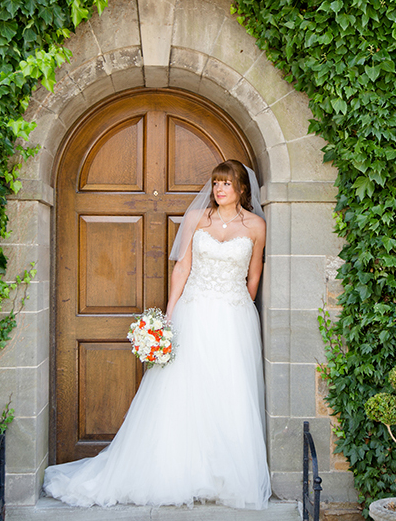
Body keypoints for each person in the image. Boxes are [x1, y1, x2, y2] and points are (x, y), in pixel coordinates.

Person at [43, 159, 271, 509]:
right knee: (182, 390)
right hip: (193, 311)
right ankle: (179, 470)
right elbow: (183, 267)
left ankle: (222, 474)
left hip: (233, 315)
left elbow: (253, 276)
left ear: (242, 188)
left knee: (229, 390)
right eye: (215, 184)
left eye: (226, 184)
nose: (219, 190)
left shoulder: (256, 225)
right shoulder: (198, 219)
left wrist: (240, 306)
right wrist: (170, 312)